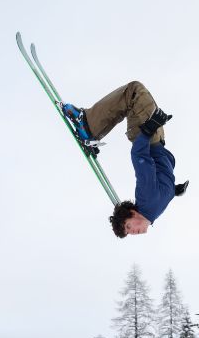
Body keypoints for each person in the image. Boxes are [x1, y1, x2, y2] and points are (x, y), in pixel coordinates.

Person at [61, 81, 188, 238]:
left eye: (127, 227)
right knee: (133, 94)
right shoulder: (153, 211)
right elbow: (158, 182)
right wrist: (173, 190)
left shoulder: (146, 199)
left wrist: (148, 129)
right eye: (128, 230)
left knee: (133, 93)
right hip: (154, 139)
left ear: (133, 213)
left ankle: (88, 125)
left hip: (149, 138)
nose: (132, 232)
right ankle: (90, 126)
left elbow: (139, 156)